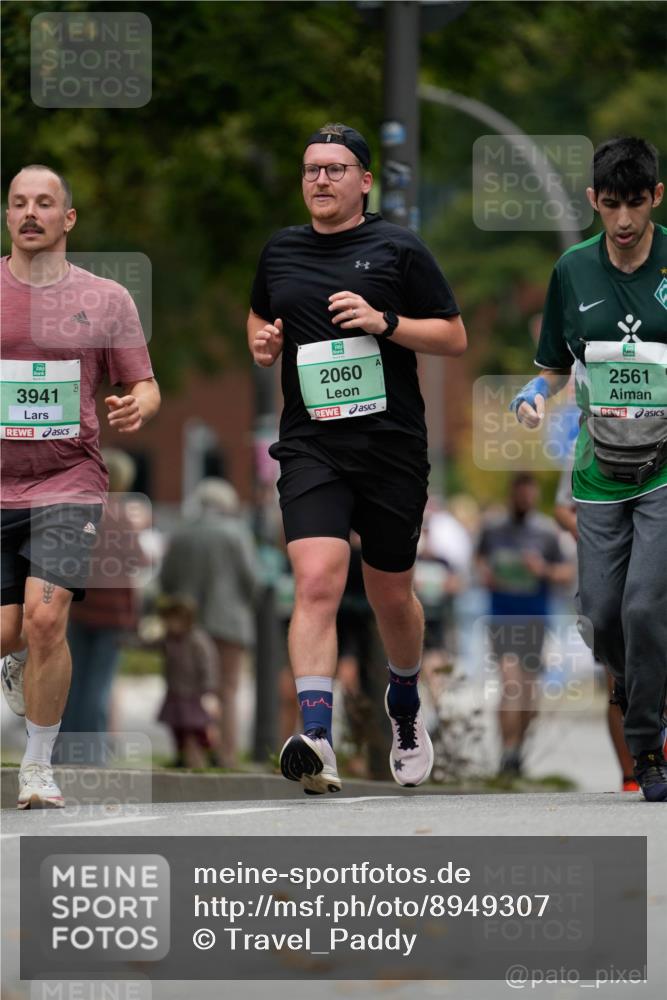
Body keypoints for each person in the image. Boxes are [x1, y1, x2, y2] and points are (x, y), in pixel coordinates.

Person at [248, 122, 466, 794]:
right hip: (312, 445)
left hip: (391, 448)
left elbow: (453, 336)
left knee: (390, 595)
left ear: (364, 181)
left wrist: (385, 323)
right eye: (312, 168)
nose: (321, 179)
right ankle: (316, 735)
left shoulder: (397, 248)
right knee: (314, 579)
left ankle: (403, 707)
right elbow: (258, 315)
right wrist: (262, 343)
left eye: (336, 169)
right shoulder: (280, 251)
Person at [510, 136, 667, 801]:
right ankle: (633, 681)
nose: (624, 221)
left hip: (663, 470)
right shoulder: (571, 270)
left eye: (635, 204)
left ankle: (645, 752)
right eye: (611, 206)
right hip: (597, 471)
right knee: (602, 615)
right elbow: (551, 361)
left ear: (655, 197)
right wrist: (534, 394)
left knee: (641, 607)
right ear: (592, 203)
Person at [0, 165, 160, 808]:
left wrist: (139, 407)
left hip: (70, 481)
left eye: (44, 203)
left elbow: (144, 384)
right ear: (8, 216)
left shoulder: (107, 299)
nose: (30, 213)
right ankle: (17, 662)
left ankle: (37, 766)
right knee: (12, 632)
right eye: (18, 204)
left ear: (68, 219)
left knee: (47, 618)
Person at [476, 473, 573, 776]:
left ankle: (517, 751)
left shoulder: (545, 532)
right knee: (510, 683)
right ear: (512, 494)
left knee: (529, 692)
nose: (525, 500)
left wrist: (542, 569)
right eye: (520, 495)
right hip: (502, 617)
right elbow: (477, 560)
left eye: (529, 495)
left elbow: (566, 574)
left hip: (535, 619)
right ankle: (506, 752)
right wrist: (486, 573)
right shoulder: (493, 529)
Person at [160, 478, 258, 769]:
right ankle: (227, 755)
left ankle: (193, 754)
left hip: (188, 626)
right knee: (227, 691)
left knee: (188, 691)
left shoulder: (180, 533)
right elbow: (251, 580)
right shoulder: (237, 533)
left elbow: (166, 580)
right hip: (230, 623)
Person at [553, 460, 640, 792]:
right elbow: (562, 508)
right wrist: (597, 530)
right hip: (607, 572)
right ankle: (629, 774)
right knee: (614, 679)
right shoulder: (584, 448)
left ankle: (652, 750)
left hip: (650, 564)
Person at [60, 450, 147, 762]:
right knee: (99, 686)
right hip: (113, 615)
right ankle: (92, 755)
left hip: (79, 609)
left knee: (72, 683)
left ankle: (62, 753)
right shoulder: (121, 515)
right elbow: (140, 559)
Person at [154, 595, 221, 769]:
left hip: (194, 693)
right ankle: (181, 756)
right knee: (177, 727)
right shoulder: (169, 639)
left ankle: (211, 753)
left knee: (198, 728)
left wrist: (208, 690)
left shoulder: (197, 640)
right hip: (176, 692)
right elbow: (151, 645)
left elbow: (207, 666)